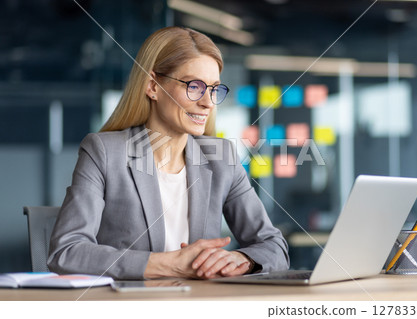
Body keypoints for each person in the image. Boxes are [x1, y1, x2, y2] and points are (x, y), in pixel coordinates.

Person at [47, 26, 289, 280]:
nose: (207, 102)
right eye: (194, 86)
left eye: (214, 88)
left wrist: (242, 259)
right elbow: (66, 252)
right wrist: (167, 264)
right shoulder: (105, 152)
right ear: (152, 86)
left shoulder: (222, 158)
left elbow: (274, 247)